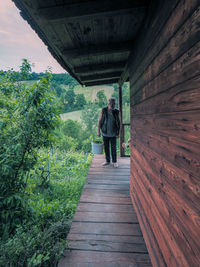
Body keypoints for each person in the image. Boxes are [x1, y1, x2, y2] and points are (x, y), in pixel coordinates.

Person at [97, 98, 121, 168]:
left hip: (113, 133)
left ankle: (114, 162)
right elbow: (99, 121)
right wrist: (98, 131)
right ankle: (107, 161)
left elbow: (119, 123)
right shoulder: (103, 110)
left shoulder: (117, 111)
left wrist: (119, 133)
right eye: (112, 105)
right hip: (105, 133)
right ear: (108, 104)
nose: (113, 106)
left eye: (114, 105)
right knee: (106, 148)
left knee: (113, 148)